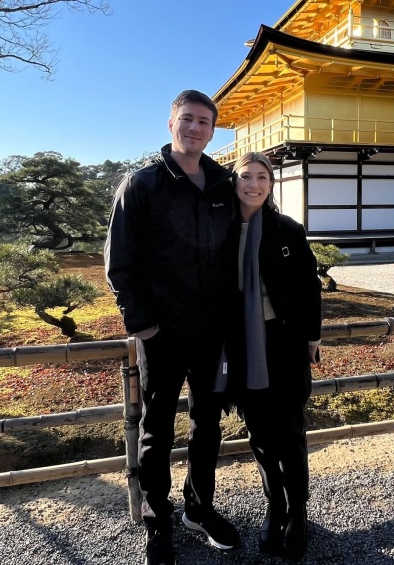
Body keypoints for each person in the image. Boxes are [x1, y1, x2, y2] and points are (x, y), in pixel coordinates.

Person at [105, 89, 240, 565]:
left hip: (213, 333)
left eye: (205, 122)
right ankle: (156, 519)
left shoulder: (224, 184)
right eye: (188, 119)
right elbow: (119, 263)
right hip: (161, 333)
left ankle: (198, 509)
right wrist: (142, 326)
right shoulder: (142, 185)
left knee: (209, 423)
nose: (196, 128)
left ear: (213, 128)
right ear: (170, 124)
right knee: (156, 429)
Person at [220, 151, 322, 561]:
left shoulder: (287, 230)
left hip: (283, 341)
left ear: (271, 184)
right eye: (246, 176)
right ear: (235, 182)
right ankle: (274, 505)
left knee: (290, 431)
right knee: (260, 434)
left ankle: (297, 510)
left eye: (263, 177)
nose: (254, 184)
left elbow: (309, 287)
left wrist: (312, 336)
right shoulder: (221, 231)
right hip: (240, 344)